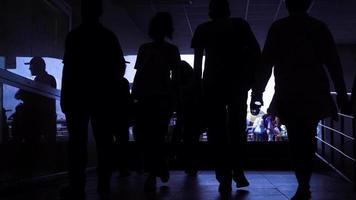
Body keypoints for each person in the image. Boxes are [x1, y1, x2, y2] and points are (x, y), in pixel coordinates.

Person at [250, 0, 351, 199]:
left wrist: (257, 94)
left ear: (287, 4)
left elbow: (265, 64)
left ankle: (303, 184)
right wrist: (341, 94)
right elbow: (333, 64)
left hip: (288, 92)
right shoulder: (318, 27)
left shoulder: (279, 28)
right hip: (314, 92)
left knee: (297, 139)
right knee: (308, 136)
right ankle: (304, 182)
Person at [191, 0, 261, 194]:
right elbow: (256, 53)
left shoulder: (203, 29)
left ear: (210, 11)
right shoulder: (240, 25)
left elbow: (198, 64)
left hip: (212, 86)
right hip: (238, 84)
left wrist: (197, 89)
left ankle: (223, 177)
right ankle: (238, 171)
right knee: (237, 129)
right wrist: (254, 85)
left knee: (217, 132)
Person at [60, 0, 127, 199]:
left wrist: (65, 96)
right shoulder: (108, 37)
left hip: (78, 96)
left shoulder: (74, 37)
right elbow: (120, 68)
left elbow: (69, 69)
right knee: (104, 141)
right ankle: (104, 183)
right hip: (102, 97)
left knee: (77, 143)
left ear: (82, 12)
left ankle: (77, 185)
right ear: (100, 13)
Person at [132, 12, 181, 192]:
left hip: (147, 97)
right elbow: (175, 78)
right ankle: (159, 167)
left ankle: (154, 171)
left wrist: (134, 95)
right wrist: (175, 98)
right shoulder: (172, 50)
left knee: (146, 136)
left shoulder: (144, 48)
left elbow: (139, 74)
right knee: (157, 136)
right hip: (162, 98)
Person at [172, 60, 202, 176]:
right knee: (192, 141)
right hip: (193, 117)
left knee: (187, 141)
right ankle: (191, 166)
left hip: (185, 117)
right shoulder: (196, 84)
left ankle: (188, 165)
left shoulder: (179, 87)